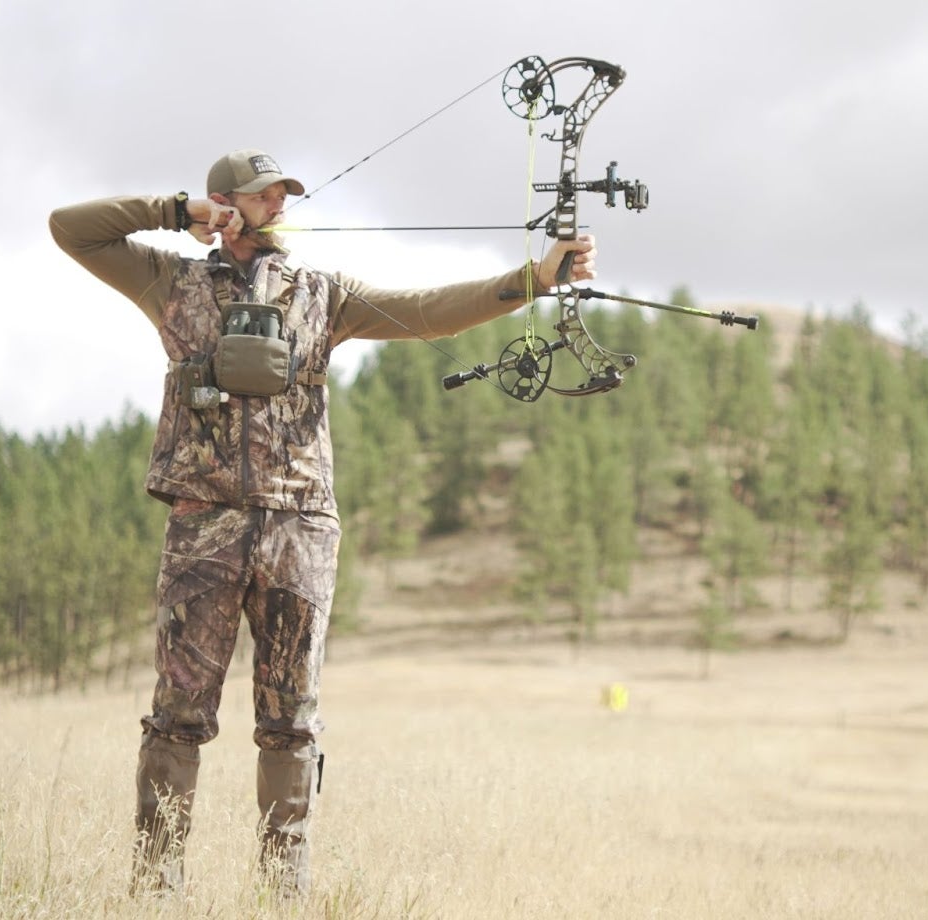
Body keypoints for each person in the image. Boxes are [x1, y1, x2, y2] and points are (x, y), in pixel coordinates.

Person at [48, 149, 596, 896]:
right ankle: (154, 894)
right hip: (203, 526)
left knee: (291, 725)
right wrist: (175, 214)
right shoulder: (171, 281)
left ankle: (283, 897)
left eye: (283, 196)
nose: (280, 207)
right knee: (178, 717)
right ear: (225, 204)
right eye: (263, 197)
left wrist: (533, 280)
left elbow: (430, 308)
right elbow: (70, 228)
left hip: (301, 530)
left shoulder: (321, 294)